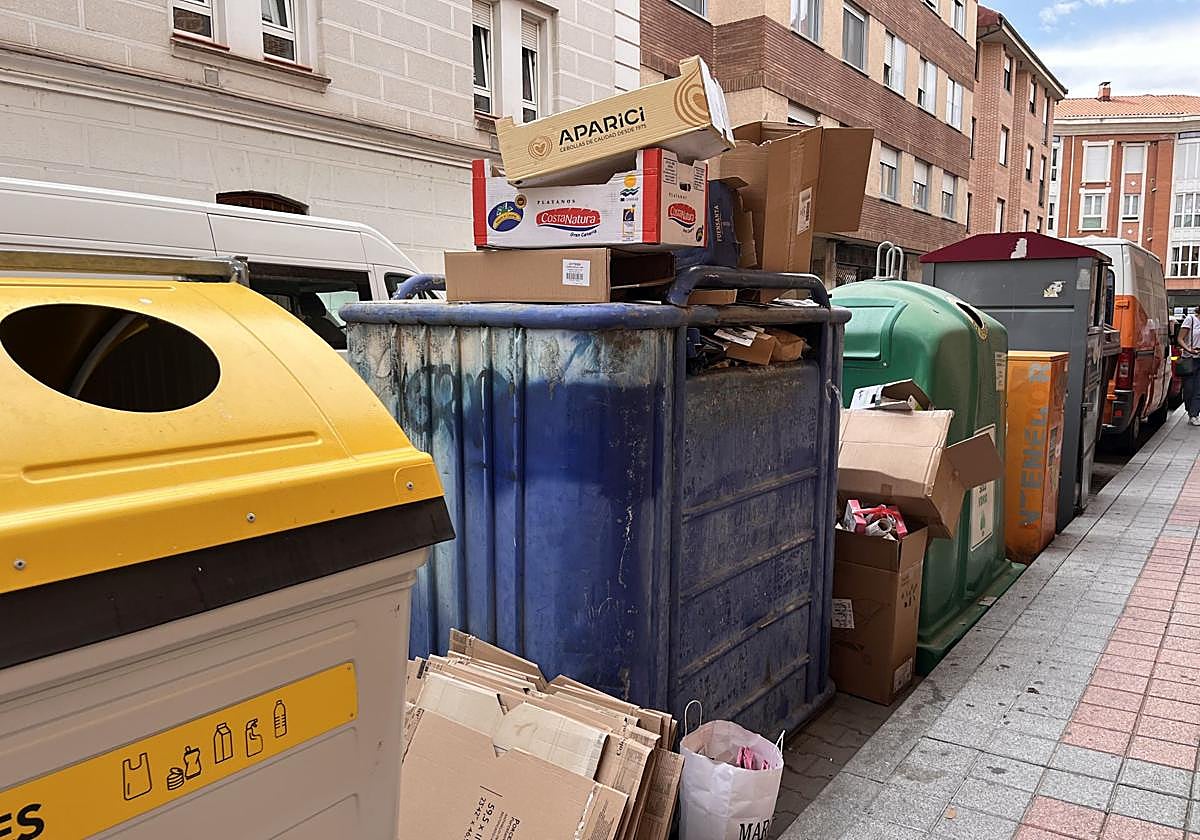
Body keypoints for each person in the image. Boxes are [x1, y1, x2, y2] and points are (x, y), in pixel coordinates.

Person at [1178, 306, 1200, 425]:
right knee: (1189, 389)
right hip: (1190, 359)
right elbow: (1180, 339)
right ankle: (1189, 409)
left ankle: (1194, 414)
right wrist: (1189, 349)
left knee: (1198, 389)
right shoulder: (1190, 319)